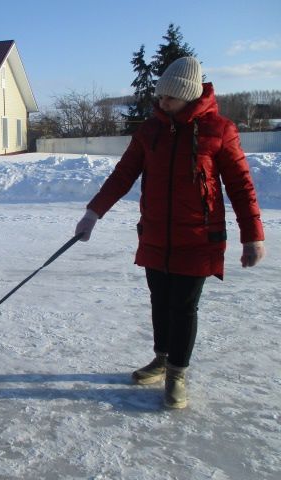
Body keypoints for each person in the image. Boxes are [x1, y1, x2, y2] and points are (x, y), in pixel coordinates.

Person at [74, 57, 266, 409]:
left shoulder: (219, 130)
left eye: (170, 99)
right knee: (160, 301)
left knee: (184, 306)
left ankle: (177, 373)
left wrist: (253, 235)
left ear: (189, 97)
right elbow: (122, 175)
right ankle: (162, 358)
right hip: (155, 235)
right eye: (160, 97)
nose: (162, 103)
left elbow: (241, 185)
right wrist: (92, 213)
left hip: (198, 238)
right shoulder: (150, 131)